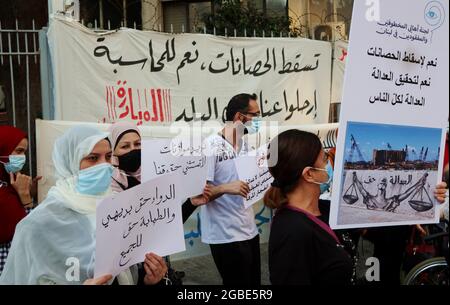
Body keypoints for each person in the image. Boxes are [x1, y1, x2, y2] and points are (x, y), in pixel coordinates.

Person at [0, 125, 166, 284]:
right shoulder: (38, 225)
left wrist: (148, 280)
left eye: (108, 157)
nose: (104, 165)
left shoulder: (117, 208)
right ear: (69, 162)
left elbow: (126, 270)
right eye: (93, 158)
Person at [107, 122, 212, 285]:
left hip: (156, 265)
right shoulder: (108, 188)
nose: (133, 150)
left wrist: (191, 203)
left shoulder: (151, 178)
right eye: (125, 146)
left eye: (138, 144)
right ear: (113, 151)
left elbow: (163, 224)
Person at [264, 129, 353, 285]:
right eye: (325, 158)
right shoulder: (291, 231)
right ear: (309, 174)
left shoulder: (325, 208)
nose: (330, 164)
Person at [201, 93, 261, 285]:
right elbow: (199, 195)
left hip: (249, 230)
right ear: (239, 117)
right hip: (225, 235)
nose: (257, 121)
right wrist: (226, 188)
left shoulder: (245, 145)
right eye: (254, 115)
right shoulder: (211, 145)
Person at [0, 126, 40, 275]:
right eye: (19, 151)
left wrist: (28, 193)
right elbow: (30, 234)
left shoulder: (8, 186)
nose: (22, 157)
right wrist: (25, 198)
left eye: (24, 152)